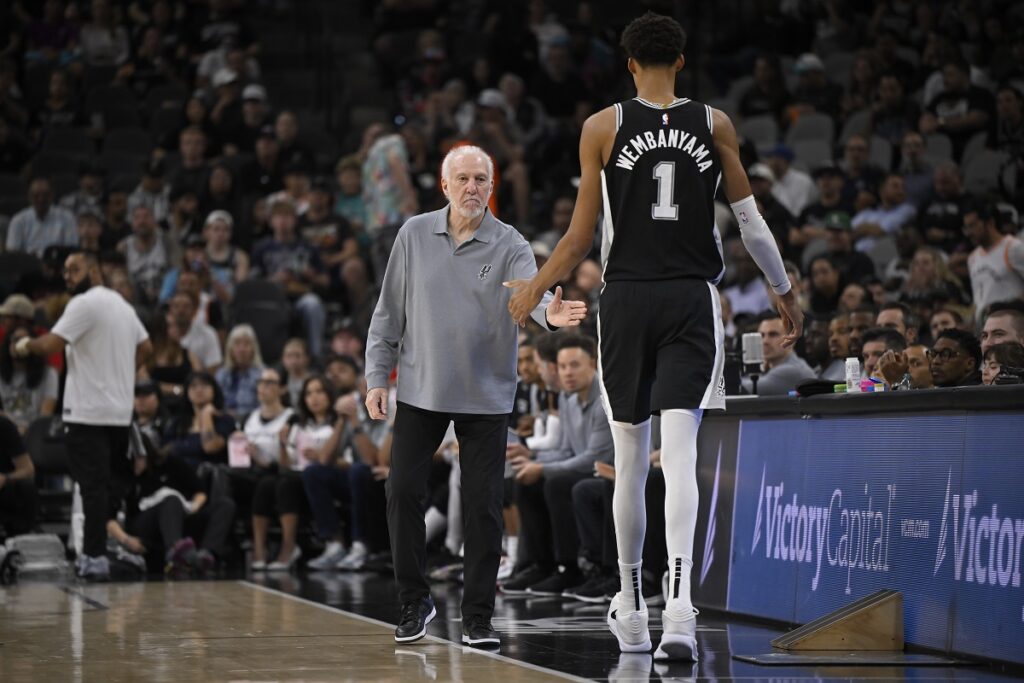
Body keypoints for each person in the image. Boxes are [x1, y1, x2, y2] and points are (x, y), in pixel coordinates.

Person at [505, 13, 802, 661]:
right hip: (692, 299)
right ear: (682, 61)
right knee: (683, 454)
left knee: (631, 463)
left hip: (629, 299)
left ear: (630, 65)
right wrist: (782, 284)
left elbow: (581, 237)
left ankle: (632, 609)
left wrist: (534, 288)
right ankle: (680, 614)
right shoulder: (714, 123)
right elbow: (751, 224)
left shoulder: (603, 126)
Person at [364, 145, 585, 648]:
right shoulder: (414, 234)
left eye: (481, 179)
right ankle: (412, 602)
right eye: (462, 178)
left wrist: (552, 314)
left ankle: (479, 615)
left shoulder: (510, 243)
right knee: (401, 493)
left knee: (484, 504)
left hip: (486, 395)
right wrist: (377, 377)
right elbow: (386, 315)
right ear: (444, 186)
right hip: (421, 389)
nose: (471, 188)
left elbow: (532, 299)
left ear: (492, 186)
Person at [14, 252, 151, 580]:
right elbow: (146, 349)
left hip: (88, 413)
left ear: (94, 268)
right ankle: (103, 548)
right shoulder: (123, 306)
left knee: (91, 487)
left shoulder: (83, 304)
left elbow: (49, 346)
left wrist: (22, 346)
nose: (67, 276)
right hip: (118, 413)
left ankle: (93, 557)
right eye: (65, 271)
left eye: (74, 269)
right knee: (106, 486)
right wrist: (121, 378)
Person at [741, 312, 815, 395]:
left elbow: (741, 388)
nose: (765, 341)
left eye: (773, 334)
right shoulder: (770, 367)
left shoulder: (792, 370)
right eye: (761, 335)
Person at [0, 412, 36, 539]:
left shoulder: (4, 426)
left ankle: (20, 539)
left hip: (4, 488)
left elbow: (28, 470)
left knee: (26, 487)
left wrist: (5, 478)